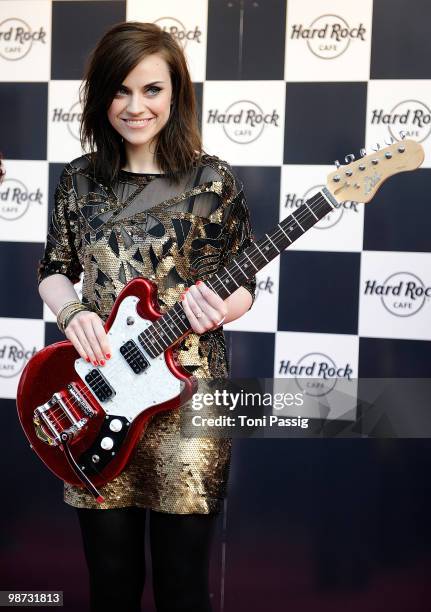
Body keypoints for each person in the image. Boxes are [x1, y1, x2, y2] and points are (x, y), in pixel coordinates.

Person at [37, 21, 256, 612]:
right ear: (101, 94)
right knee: (110, 581)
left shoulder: (214, 181)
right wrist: (73, 311)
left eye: (152, 90)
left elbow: (246, 287)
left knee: (184, 585)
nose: (136, 107)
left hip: (190, 399)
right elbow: (53, 270)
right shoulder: (78, 181)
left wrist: (218, 307)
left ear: (176, 93)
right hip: (102, 390)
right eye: (120, 90)